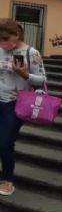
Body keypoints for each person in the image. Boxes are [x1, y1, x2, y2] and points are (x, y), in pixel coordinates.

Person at [0, 19, 46, 196]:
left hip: (15, 104)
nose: (3, 43)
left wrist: (24, 73)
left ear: (16, 35)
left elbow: (42, 80)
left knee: (4, 142)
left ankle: (7, 180)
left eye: (5, 38)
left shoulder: (31, 52)